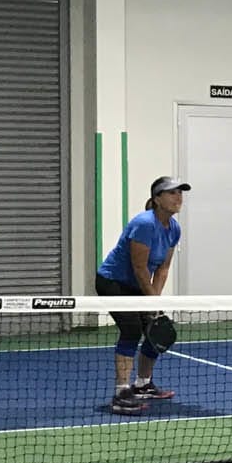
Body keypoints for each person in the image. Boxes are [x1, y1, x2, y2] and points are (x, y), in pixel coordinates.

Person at [96, 176, 188, 415]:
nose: (178, 197)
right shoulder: (144, 224)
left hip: (138, 284)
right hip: (113, 282)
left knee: (157, 330)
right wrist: (151, 304)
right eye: (172, 193)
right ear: (157, 199)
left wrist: (154, 305)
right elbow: (139, 268)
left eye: (180, 193)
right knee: (131, 330)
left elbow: (163, 268)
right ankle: (121, 393)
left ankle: (143, 384)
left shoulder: (174, 228)